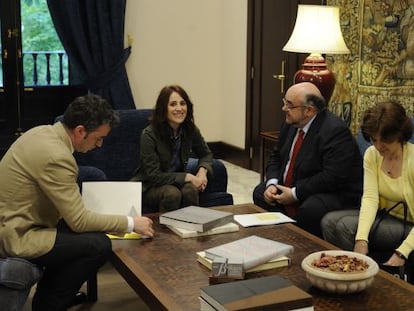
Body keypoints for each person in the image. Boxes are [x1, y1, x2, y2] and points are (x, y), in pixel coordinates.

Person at [0, 94, 154, 311]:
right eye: (98, 138)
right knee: (98, 245)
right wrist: (130, 223)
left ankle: (53, 296)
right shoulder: (57, 156)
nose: (100, 145)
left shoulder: (42, 132)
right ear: (80, 131)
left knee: (86, 237)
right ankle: (49, 304)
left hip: (18, 221)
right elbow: (79, 221)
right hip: (15, 235)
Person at [252, 82, 363, 237]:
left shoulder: (334, 131)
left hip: (329, 191)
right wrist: (272, 183)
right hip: (295, 184)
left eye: (289, 105)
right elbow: (276, 156)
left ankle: (299, 242)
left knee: (310, 209)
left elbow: (331, 177)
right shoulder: (290, 124)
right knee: (260, 192)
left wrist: (295, 193)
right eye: (284, 103)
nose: (284, 109)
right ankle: (283, 233)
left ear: (309, 110)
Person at [322, 101, 414, 268]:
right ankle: (344, 270)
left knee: (344, 226)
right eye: (374, 140)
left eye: (384, 140)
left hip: (410, 225)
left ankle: (357, 273)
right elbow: (370, 198)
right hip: (385, 216)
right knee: (329, 222)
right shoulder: (372, 154)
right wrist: (361, 240)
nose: (378, 146)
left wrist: (402, 252)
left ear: (399, 134)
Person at [132, 85, 213, 213]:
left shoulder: (189, 129)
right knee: (172, 193)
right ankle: (165, 231)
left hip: (175, 182)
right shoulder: (149, 134)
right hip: (150, 186)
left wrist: (202, 172)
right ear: (164, 109)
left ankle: (192, 228)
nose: (179, 108)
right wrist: (188, 177)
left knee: (190, 190)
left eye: (182, 103)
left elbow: (206, 154)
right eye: (173, 104)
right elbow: (154, 176)